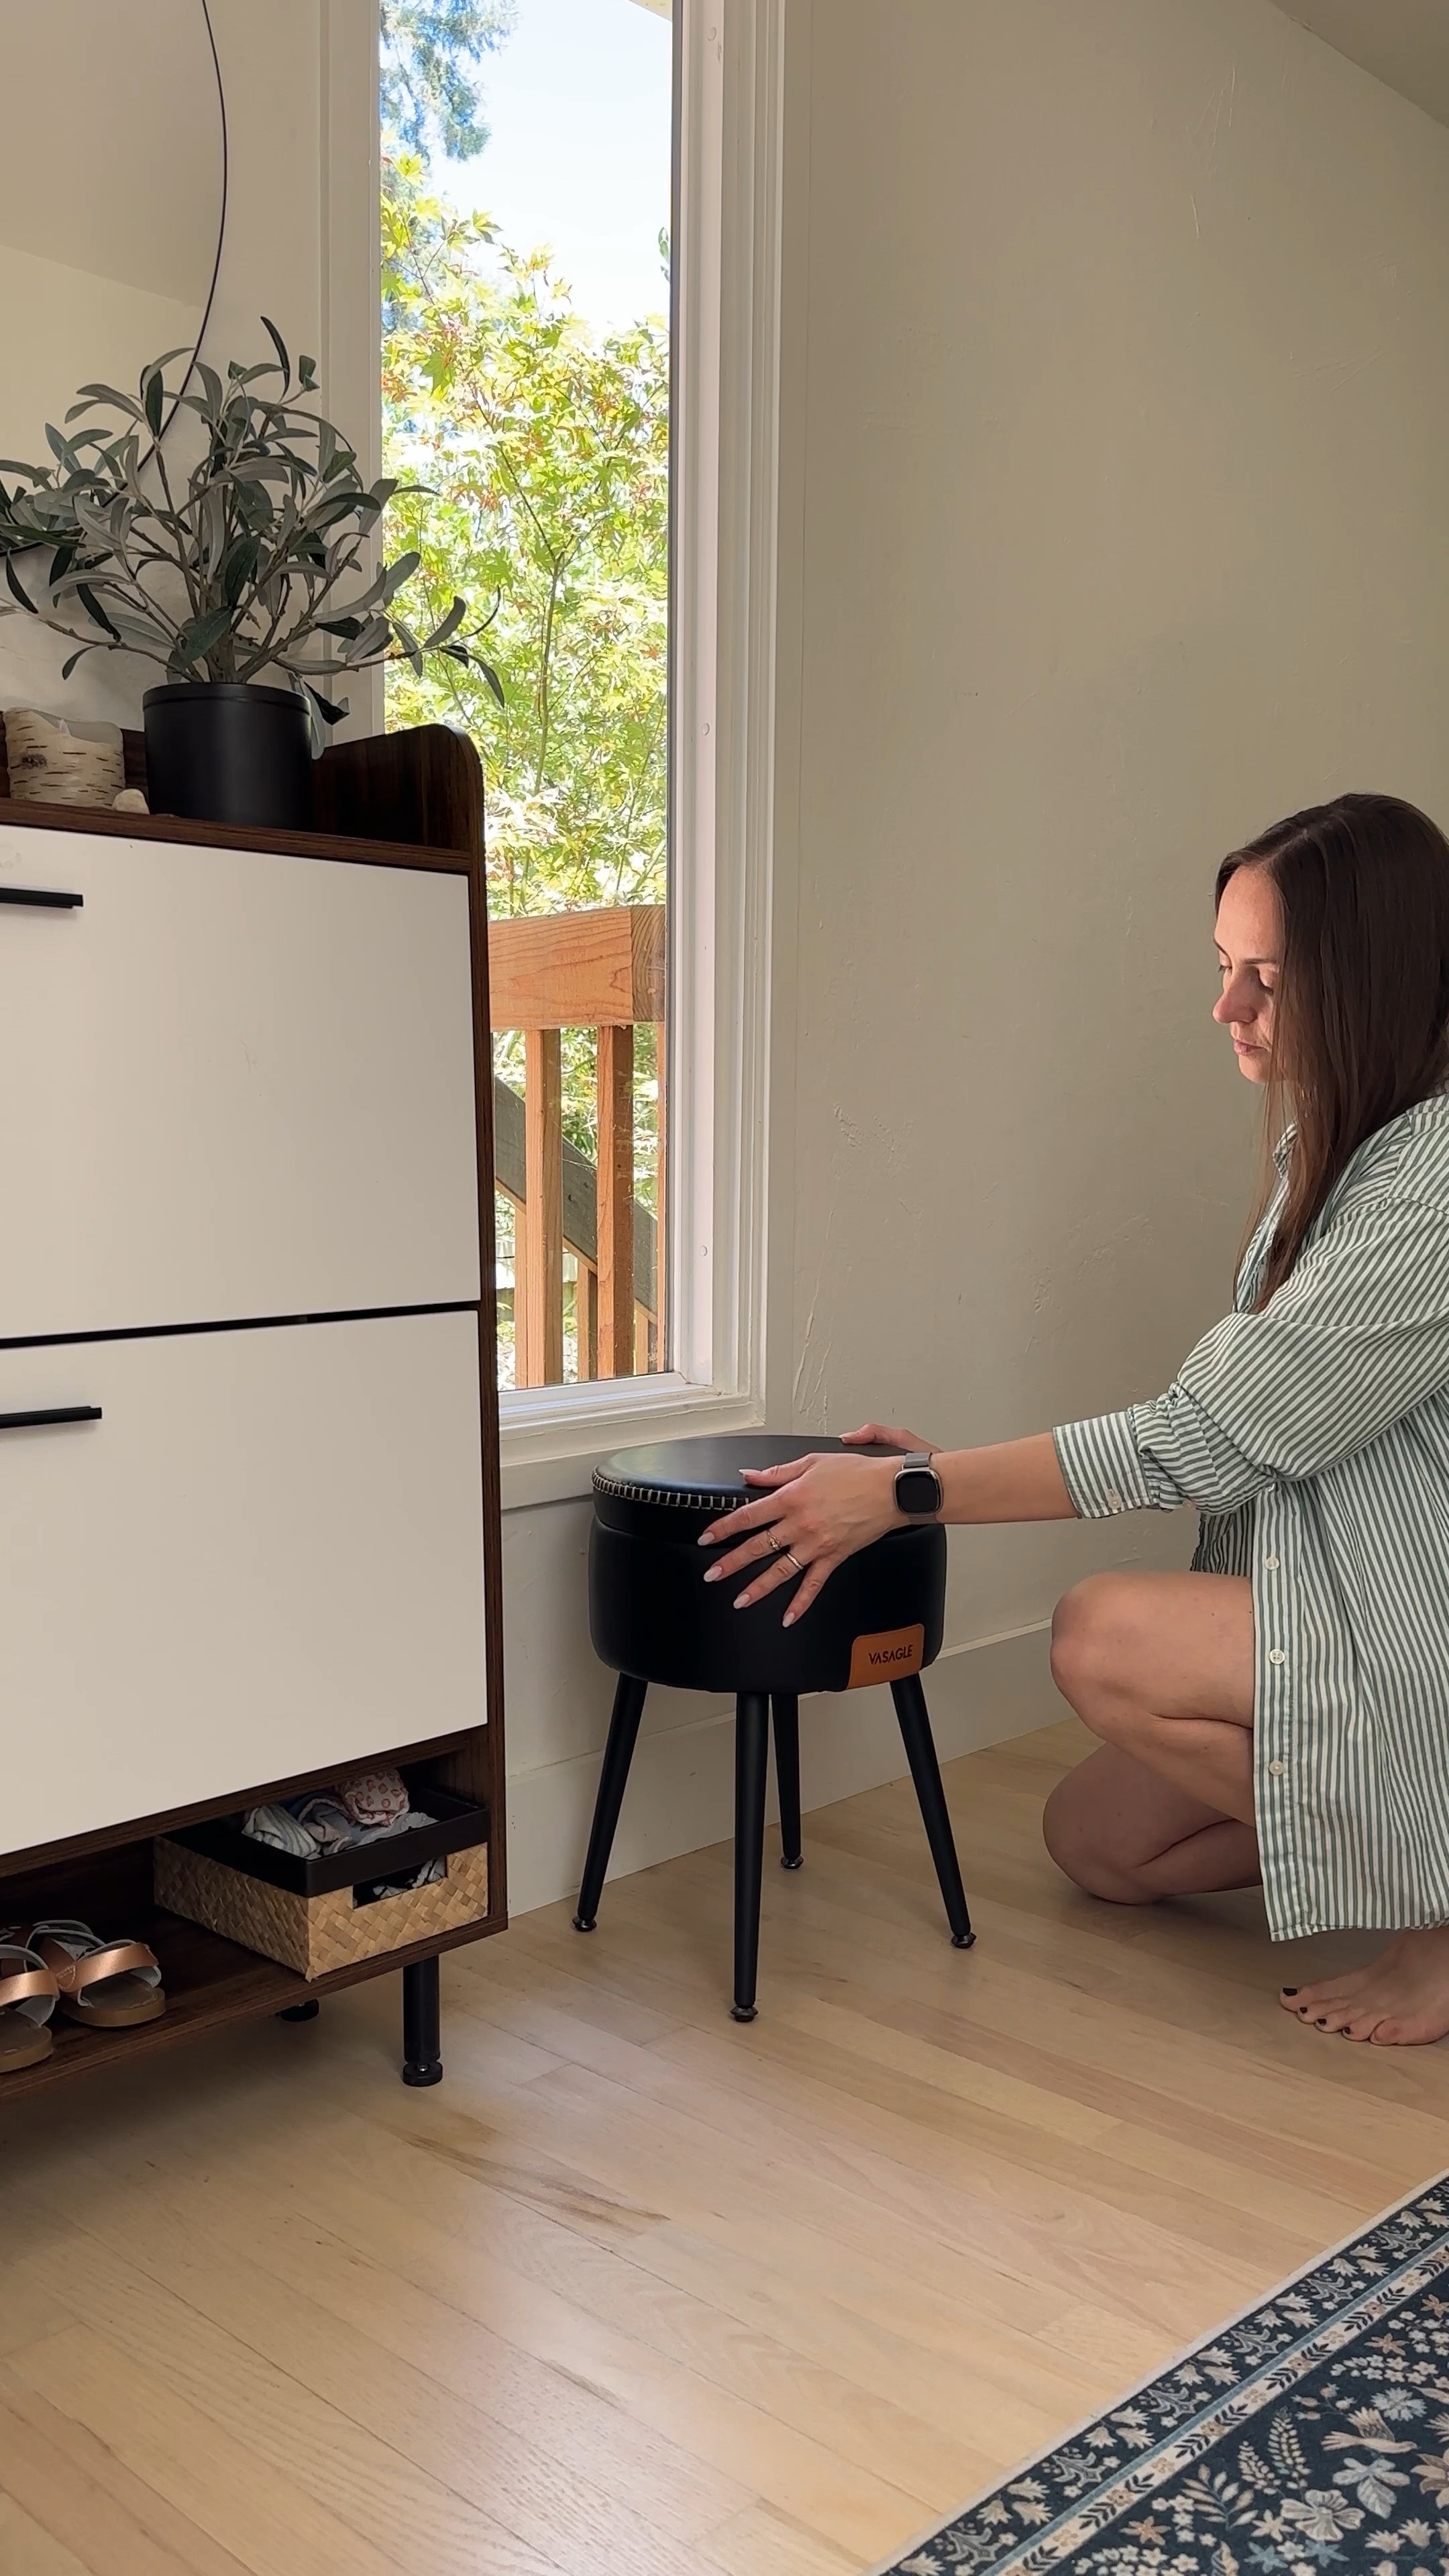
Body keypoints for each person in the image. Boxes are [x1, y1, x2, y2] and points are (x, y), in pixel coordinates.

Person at [700, 793, 1449, 2048]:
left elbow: (1206, 1435)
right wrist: (934, 1469)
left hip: (1417, 1619)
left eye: (1268, 976)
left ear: (1375, 975)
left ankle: (1437, 1923)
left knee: (1100, 1635)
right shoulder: (1341, 1149)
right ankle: (1405, 1843)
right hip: (1352, 1609)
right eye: (1223, 969)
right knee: (1098, 1846)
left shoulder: (1431, 1178)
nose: (1229, 1010)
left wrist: (907, 1494)